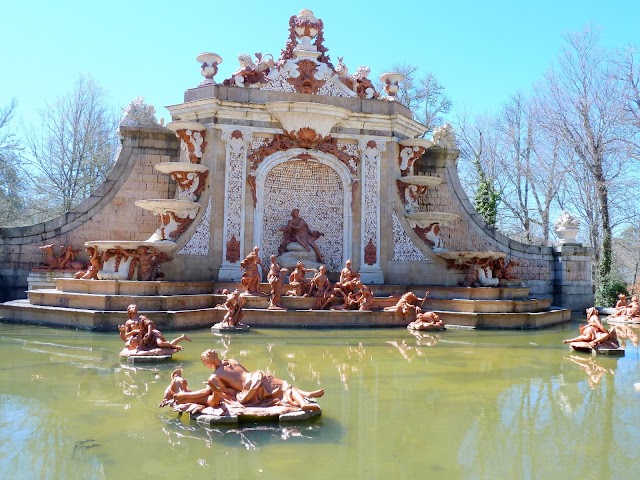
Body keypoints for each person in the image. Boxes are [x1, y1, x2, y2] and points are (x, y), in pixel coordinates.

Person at [166, 349, 324, 412]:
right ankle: (304, 399)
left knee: (284, 387)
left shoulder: (214, 376)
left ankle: (304, 401)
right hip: (256, 376)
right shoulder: (232, 361)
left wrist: (182, 397)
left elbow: (208, 393)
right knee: (285, 386)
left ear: (208, 362)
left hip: (249, 389)